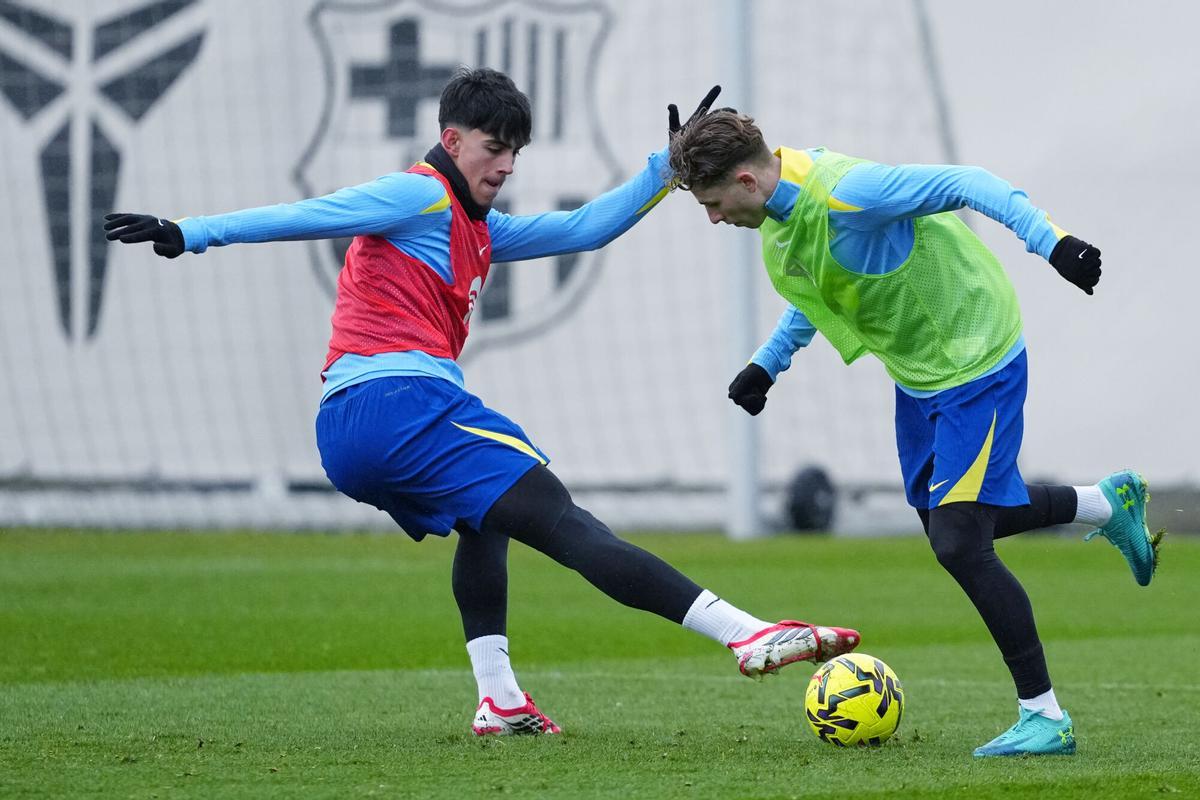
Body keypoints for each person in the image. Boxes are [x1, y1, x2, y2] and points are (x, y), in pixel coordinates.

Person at [104, 69, 860, 737]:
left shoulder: (478, 226)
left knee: (485, 520)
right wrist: (191, 232)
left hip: (351, 426)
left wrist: (665, 172)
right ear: (451, 137)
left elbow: (584, 230)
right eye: (492, 148)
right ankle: (746, 634)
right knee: (561, 517)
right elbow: (313, 212)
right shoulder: (418, 193)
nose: (504, 165)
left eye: (515, 152)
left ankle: (498, 698)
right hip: (399, 401)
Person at [666, 110, 1162, 757]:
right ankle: (1104, 502)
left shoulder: (848, 190)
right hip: (921, 376)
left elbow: (969, 181)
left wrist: (1053, 243)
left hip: (977, 356)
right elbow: (821, 290)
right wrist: (767, 364)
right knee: (947, 523)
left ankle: (1045, 717)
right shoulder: (780, 229)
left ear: (745, 180)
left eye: (712, 203)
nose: (712, 218)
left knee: (960, 542)